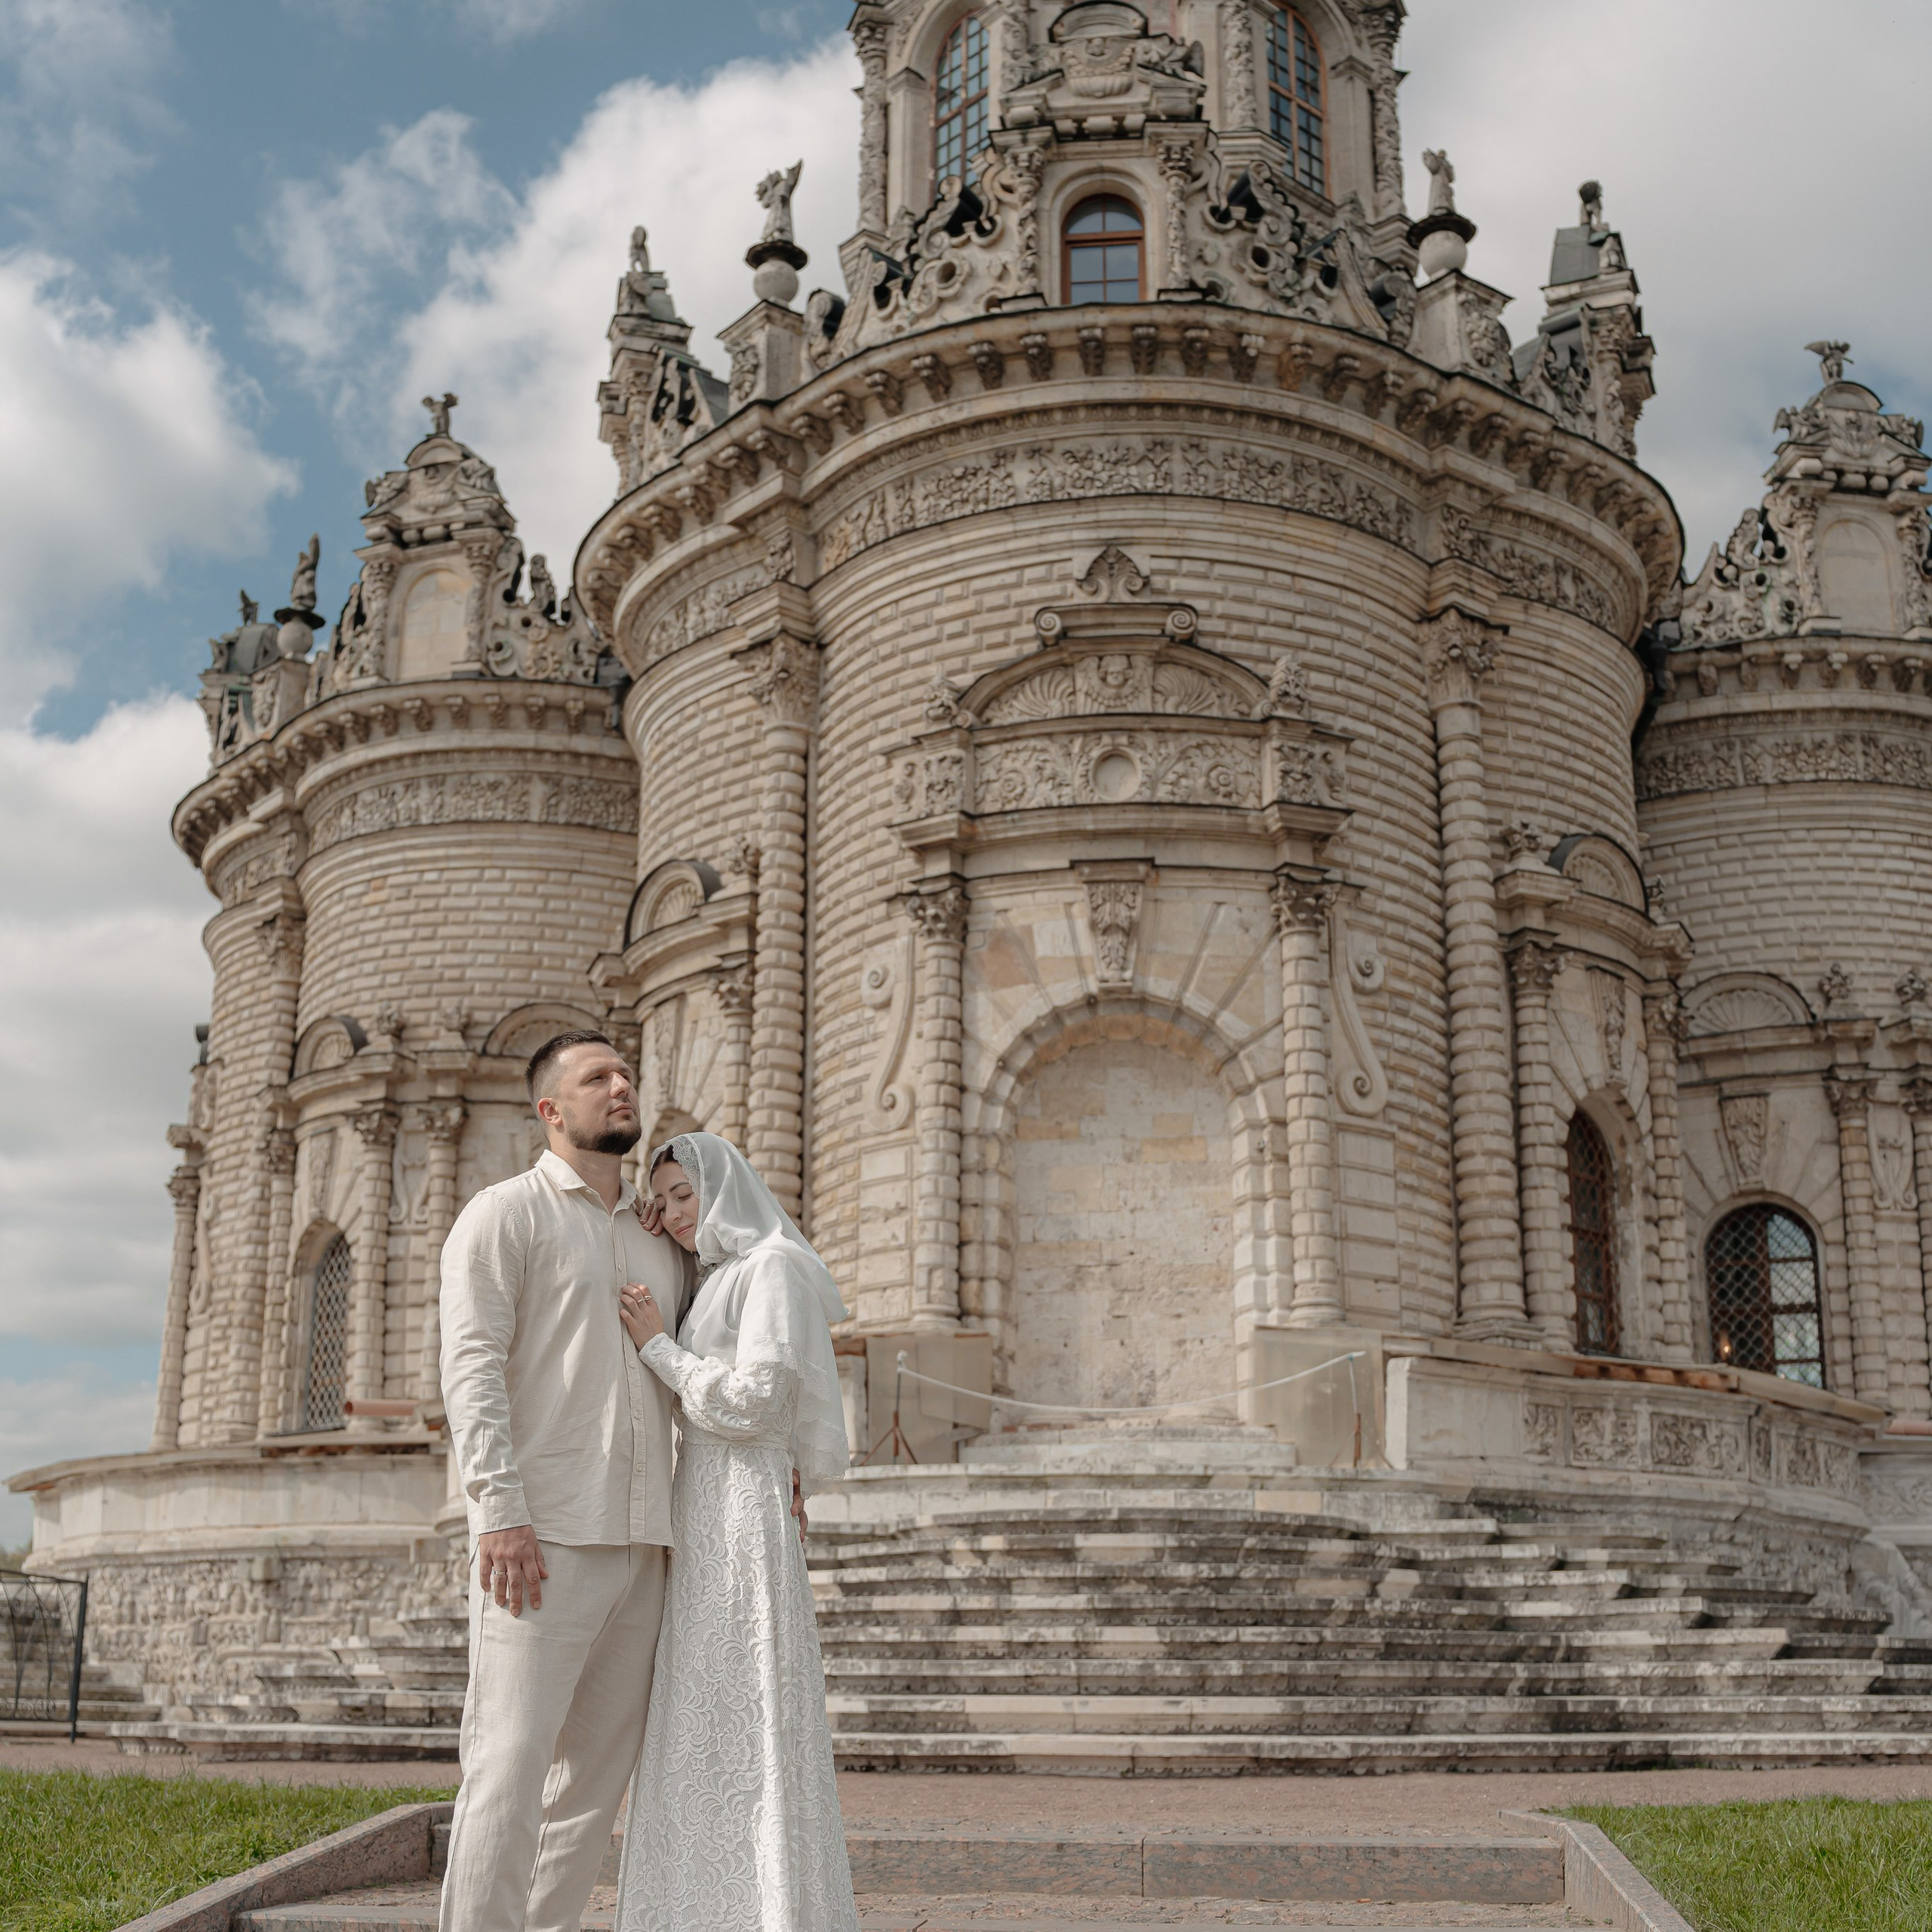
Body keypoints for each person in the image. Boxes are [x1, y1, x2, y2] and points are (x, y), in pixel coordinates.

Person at [437, 1030, 692, 1932]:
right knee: (507, 1766)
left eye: (626, 1073)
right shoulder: (503, 1214)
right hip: (539, 1540)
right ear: (551, 1111)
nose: (621, 1086)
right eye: (597, 1078)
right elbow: (470, 1370)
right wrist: (498, 1511)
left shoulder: (663, 1241)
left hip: (646, 1543)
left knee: (593, 1785)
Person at [614, 1131, 860, 1932]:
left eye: (688, 1195)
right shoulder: (714, 1278)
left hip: (746, 1506)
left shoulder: (773, 1269)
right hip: (700, 1504)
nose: (679, 1214)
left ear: (725, 1187)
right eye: (667, 1199)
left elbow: (754, 1403)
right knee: (698, 1707)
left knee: (749, 1700)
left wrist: (656, 1345)